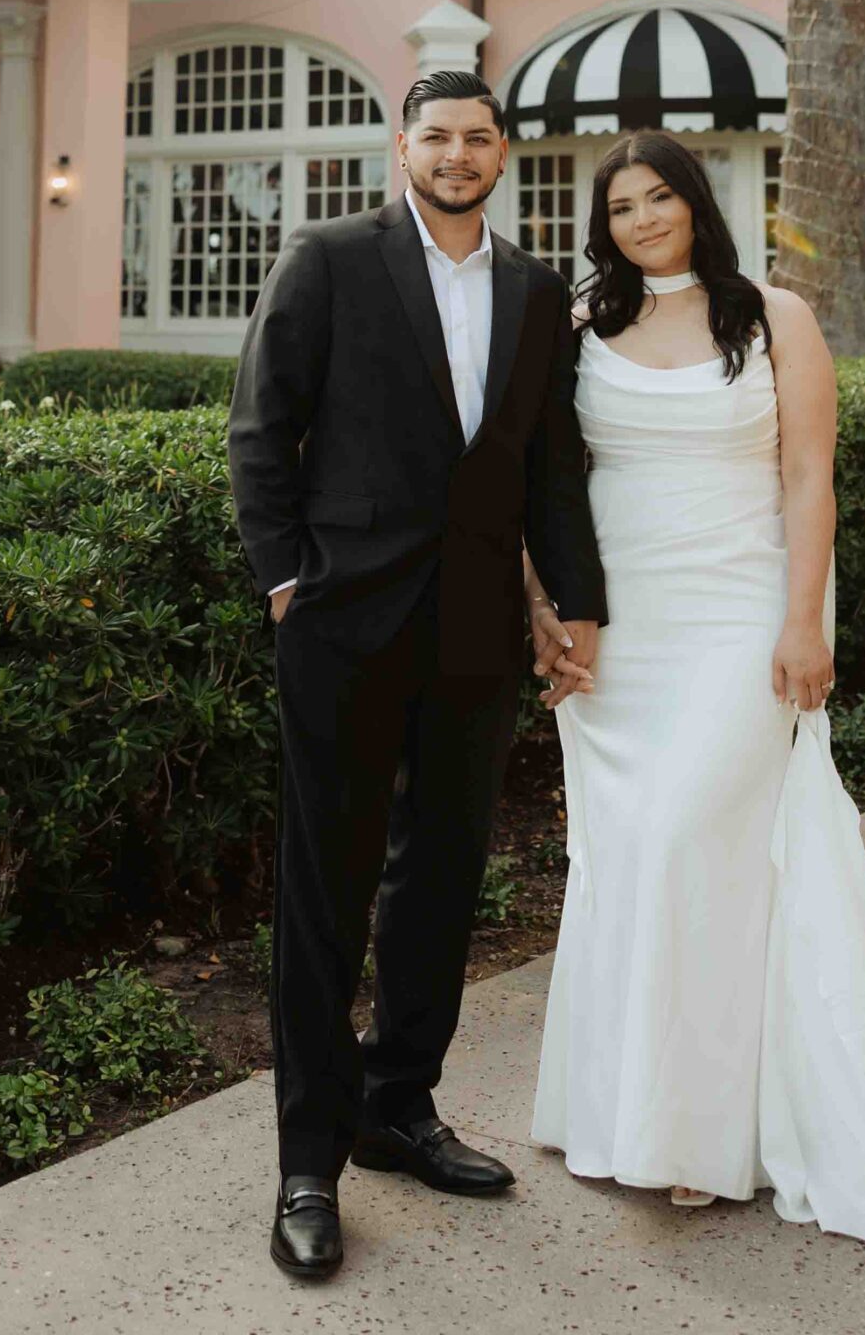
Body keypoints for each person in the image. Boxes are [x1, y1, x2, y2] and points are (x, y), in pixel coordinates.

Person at [529, 131, 865, 1244]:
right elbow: (541, 480)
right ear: (601, 223)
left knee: (688, 842)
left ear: (697, 201)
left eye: (660, 195)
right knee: (627, 857)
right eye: (621, 205)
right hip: (621, 634)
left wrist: (804, 619)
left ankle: (699, 1132)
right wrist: (546, 608)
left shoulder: (774, 316)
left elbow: (809, 473)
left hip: (738, 616)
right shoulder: (582, 326)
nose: (644, 217)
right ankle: (615, 1106)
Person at [228, 69, 607, 1284]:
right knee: (325, 891)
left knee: (442, 877)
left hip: (476, 632)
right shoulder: (331, 258)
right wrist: (287, 582)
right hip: (340, 622)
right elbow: (259, 427)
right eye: (436, 135)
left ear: (505, 152)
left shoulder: (539, 291)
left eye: (477, 137)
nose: (456, 154)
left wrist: (577, 602)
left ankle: (402, 1105)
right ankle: (307, 1162)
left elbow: (553, 460)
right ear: (403, 146)